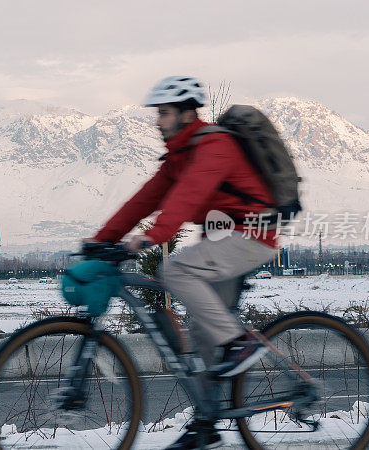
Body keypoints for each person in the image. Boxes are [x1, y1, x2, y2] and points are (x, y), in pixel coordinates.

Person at [90, 76, 278, 449]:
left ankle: (242, 342)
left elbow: (187, 197)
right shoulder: (178, 157)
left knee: (174, 269)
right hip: (222, 239)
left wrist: (151, 237)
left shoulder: (214, 145)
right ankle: (206, 425)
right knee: (203, 337)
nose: (157, 122)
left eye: (163, 113)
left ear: (186, 112)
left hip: (254, 235)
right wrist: (100, 241)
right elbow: (143, 201)